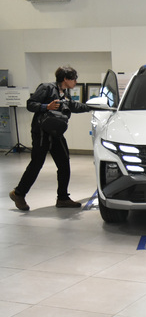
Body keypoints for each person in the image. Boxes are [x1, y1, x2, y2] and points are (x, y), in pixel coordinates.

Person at [9, 65, 91, 211]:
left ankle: (63, 198)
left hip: (56, 132)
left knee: (64, 163)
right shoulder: (46, 87)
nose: (76, 82)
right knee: (37, 163)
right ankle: (18, 193)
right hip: (41, 132)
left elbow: (73, 106)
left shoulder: (65, 93)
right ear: (66, 78)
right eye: (74, 78)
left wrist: (93, 107)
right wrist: (46, 106)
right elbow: (30, 104)